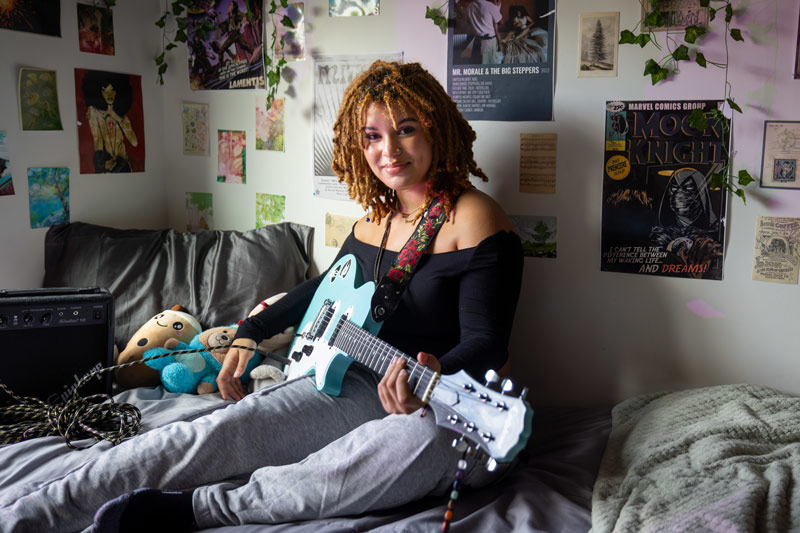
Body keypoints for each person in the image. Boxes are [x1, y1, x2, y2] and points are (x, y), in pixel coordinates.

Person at [2, 60, 523, 532]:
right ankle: (30, 514)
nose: (388, 151)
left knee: (417, 445)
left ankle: (201, 510)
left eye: (406, 131)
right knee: (211, 436)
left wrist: (428, 377)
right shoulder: (373, 222)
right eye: (373, 137)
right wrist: (252, 330)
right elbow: (325, 289)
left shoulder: (473, 216)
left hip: (439, 408)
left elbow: (487, 341)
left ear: (436, 129)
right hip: (347, 381)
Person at [81, 70, 138, 173]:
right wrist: (102, 165)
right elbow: (97, 140)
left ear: (117, 92)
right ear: (100, 92)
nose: (109, 94)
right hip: (105, 166)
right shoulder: (95, 113)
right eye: (104, 90)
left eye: (112, 90)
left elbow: (134, 142)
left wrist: (114, 115)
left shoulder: (123, 119)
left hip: (123, 167)